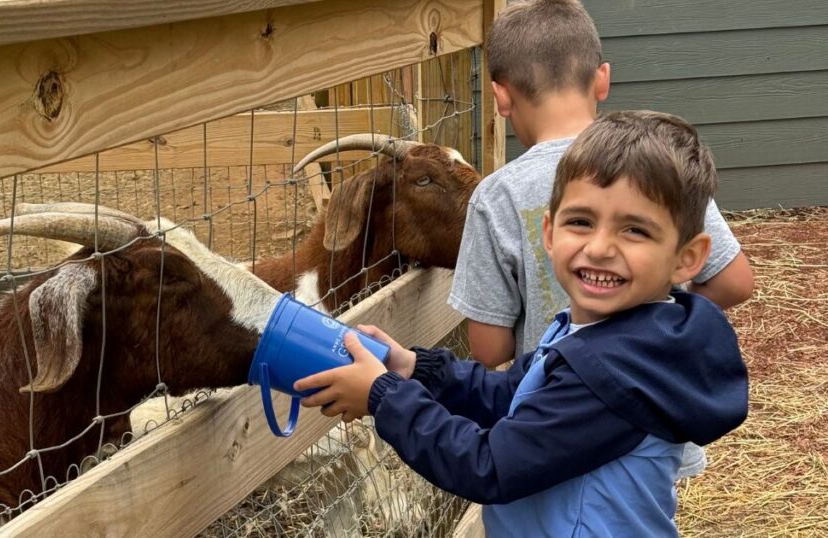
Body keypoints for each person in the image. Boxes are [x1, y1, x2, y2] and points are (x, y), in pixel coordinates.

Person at [294, 111, 750, 537]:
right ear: (548, 233)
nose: (599, 248)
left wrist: (384, 396)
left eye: (635, 230)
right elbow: (516, 393)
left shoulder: (616, 370)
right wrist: (416, 368)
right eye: (581, 221)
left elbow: (487, 467)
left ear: (687, 259)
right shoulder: (603, 334)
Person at [448, 0, 753, 478]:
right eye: (579, 225)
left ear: (500, 98)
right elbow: (735, 281)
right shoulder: (655, 164)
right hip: (651, 430)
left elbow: (490, 350)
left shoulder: (496, 196)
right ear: (602, 79)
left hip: (550, 430)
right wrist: (649, 330)